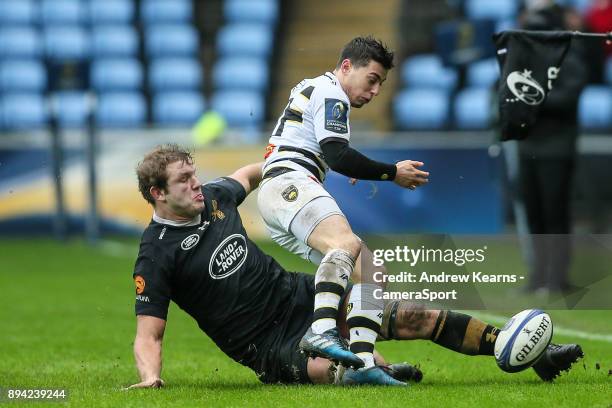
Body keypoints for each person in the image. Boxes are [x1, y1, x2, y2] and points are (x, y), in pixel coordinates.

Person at [128, 144, 583, 388]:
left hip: (301, 295)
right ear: (157, 195)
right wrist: (151, 379)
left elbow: (253, 173)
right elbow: (149, 334)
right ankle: (379, 367)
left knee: (413, 314)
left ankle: (522, 349)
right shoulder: (155, 254)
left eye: (194, 174)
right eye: (183, 181)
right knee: (343, 373)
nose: (196, 185)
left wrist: (299, 167)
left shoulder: (216, 198)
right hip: (266, 344)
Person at [256, 36, 429, 379]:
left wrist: (340, 165)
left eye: (381, 83)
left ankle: (362, 365)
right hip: (289, 183)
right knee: (345, 245)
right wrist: (392, 172)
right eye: (373, 79)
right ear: (348, 66)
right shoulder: (333, 92)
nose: (376, 90)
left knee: (372, 272)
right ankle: (321, 330)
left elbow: (322, 150)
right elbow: (337, 153)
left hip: (283, 190)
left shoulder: (316, 87)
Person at [512, 3, 589, 294]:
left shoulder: (570, 57)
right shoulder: (523, 60)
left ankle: (558, 278)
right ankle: (538, 275)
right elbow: (507, 92)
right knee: (535, 215)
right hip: (528, 146)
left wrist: (530, 97)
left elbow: (566, 99)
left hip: (557, 148)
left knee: (555, 214)